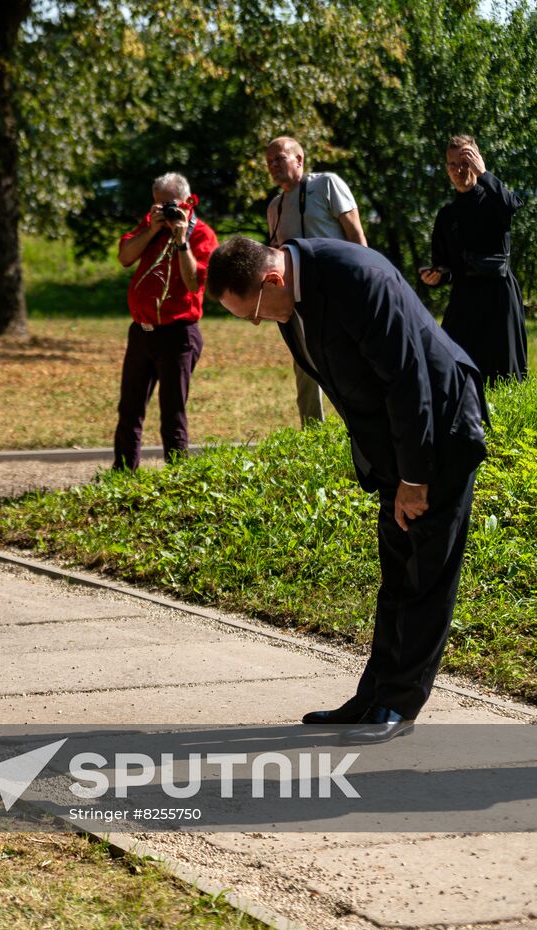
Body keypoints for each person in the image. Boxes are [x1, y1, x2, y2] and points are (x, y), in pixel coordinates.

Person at [206, 236, 487, 745]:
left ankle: (399, 706)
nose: (257, 323)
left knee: (425, 574)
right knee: (398, 572)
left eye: (252, 315)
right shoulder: (293, 298)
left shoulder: (357, 277)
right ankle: (373, 697)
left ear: (272, 279)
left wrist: (414, 478)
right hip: (397, 448)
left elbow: (409, 381)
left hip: (439, 431)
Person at [113, 172, 217, 470]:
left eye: (168, 204)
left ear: (186, 202)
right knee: (130, 408)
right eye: (157, 205)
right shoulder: (150, 225)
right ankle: (122, 475)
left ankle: (177, 479)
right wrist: (152, 229)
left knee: (172, 411)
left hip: (178, 335)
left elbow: (195, 282)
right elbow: (124, 257)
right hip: (142, 332)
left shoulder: (202, 234)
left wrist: (181, 239)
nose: (162, 211)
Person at [264, 136, 367, 426]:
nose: (273, 165)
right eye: (269, 161)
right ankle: (313, 433)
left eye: (279, 158)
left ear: (299, 160)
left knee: (346, 359)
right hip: (300, 297)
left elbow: (356, 234)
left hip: (338, 288)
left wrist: (363, 283)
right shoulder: (275, 207)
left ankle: (361, 424)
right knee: (305, 365)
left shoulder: (327, 185)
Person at [420, 135, 528, 383]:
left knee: (506, 378)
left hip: (498, 298)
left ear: (477, 162)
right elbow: (446, 266)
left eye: (465, 162)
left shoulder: (494, 201)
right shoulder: (446, 216)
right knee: (452, 369)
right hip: (464, 300)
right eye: (452, 164)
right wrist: (436, 276)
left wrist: (484, 174)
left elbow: (511, 206)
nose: (459, 170)